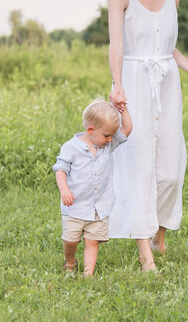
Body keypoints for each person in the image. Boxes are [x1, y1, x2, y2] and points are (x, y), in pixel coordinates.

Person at [106, 0, 188, 271]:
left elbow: (168, 47)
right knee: (140, 163)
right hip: (133, 81)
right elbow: (117, 44)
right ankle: (144, 247)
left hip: (166, 82)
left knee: (171, 168)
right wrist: (117, 84)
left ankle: (160, 231)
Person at [52, 100, 133, 277]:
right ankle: (70, 261)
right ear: (90, 130)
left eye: (112, 135)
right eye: (106, 135)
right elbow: (60, 170)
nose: (111, 138)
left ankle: (88, 274)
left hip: (99, 207)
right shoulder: (71, 148)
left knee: (92, 241)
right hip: (75, 206)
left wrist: (123, 109)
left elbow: (127, 128)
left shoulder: (107, 145)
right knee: (70, 240)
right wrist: (64, 190)